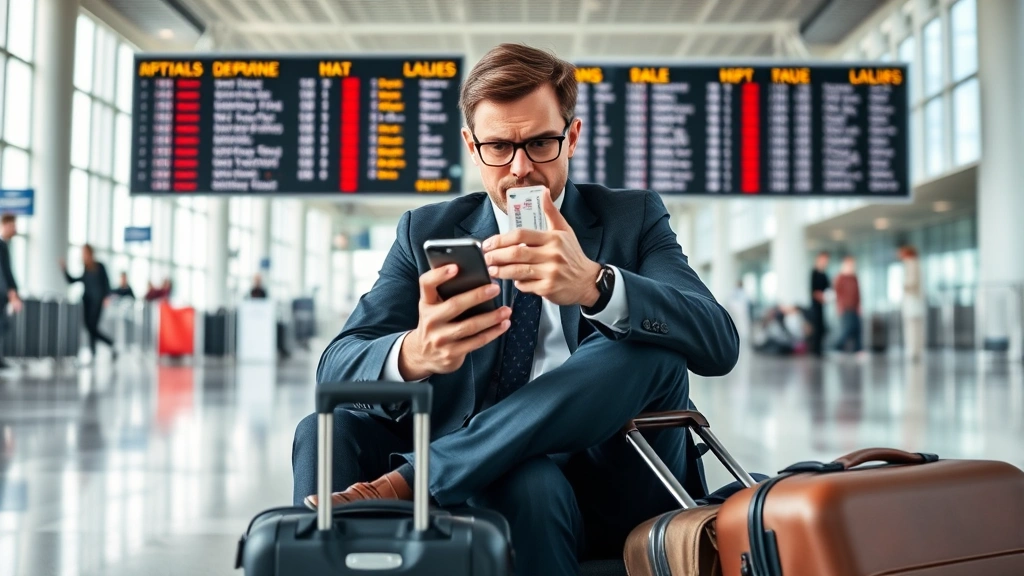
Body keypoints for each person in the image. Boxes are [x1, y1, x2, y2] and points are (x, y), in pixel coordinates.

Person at [290, 44, 739, 575]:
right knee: (325, 428)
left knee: (649, 350)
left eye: (541, 143)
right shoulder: (426, 231)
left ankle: (417, 478)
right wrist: (415, 351)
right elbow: (337, 365)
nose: (521, 168)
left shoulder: (630, 217)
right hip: (482, 476)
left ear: (571, 136)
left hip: (610, 473)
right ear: (472, 147)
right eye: (499, 146)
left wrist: (597, 285)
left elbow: (718, 343)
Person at [61, 244, 116, 361]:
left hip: (97, 301)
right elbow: (72, 280)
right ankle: (94, 351)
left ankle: (108, 343)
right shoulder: (86, 269)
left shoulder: (99, 266)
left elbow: (107, 283)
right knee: (90, 327)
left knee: (92, 327)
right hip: (87, 301)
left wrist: (106, 297)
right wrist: (64, 269)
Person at [0, 214, 23, 369]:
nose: (15, 229)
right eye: (12, 226)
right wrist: (12, 293)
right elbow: (5, 271)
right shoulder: (2, 245)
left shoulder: (5, 245)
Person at [833, 256, 862, 353]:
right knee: (847, 330)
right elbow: (837, 294)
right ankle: (836, 346)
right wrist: (840, 308)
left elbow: (858, 293)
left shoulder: (854, 277)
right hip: (845, 308)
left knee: (857, 329)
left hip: (854, 307)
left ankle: (858, 349)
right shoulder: (840, 278)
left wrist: (859, 306)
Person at [900, 245, 924, 362]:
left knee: (913, 327)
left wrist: (904, 287)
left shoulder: (911, 264)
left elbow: (912, 282)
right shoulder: (916, 264)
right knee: (915, 327)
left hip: (912, 300)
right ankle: (914, 351)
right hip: (914, 300)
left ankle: (913, 351)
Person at [809, 251, 831, 357]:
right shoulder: (814, 273)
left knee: (822, 328)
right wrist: (821, 297)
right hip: (815, 305)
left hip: (822, 305)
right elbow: (814, 291)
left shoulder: (825, 274)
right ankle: (815, 350)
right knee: (817, 328)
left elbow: (828, 289)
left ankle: (819, 349)